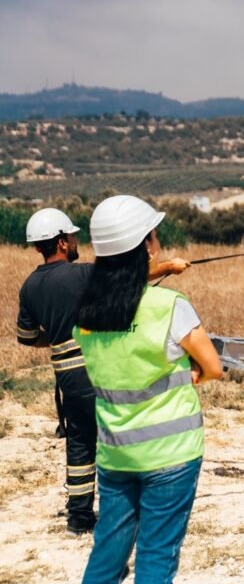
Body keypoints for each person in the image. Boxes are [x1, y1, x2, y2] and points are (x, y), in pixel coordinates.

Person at [73, 195, 222, 584]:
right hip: (172, 455)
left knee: (106, 558)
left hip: (116, 454)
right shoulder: (170, 306)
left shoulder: (86, 314)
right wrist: (193, 374)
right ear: (147, 245)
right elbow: (213, 367)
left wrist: (163, 269)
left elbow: (119, 290)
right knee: (156, 559)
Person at [16, 207, 190, 535]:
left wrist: (59, 336)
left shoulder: (29, 287)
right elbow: (125, 279)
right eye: (72, 236)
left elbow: (26, 337)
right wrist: (169, 267)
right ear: (62, 242)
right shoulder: (81, 274)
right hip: (98, 369)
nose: (76, 240)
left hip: (67, 377)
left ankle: (79, 517)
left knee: (81, 443)